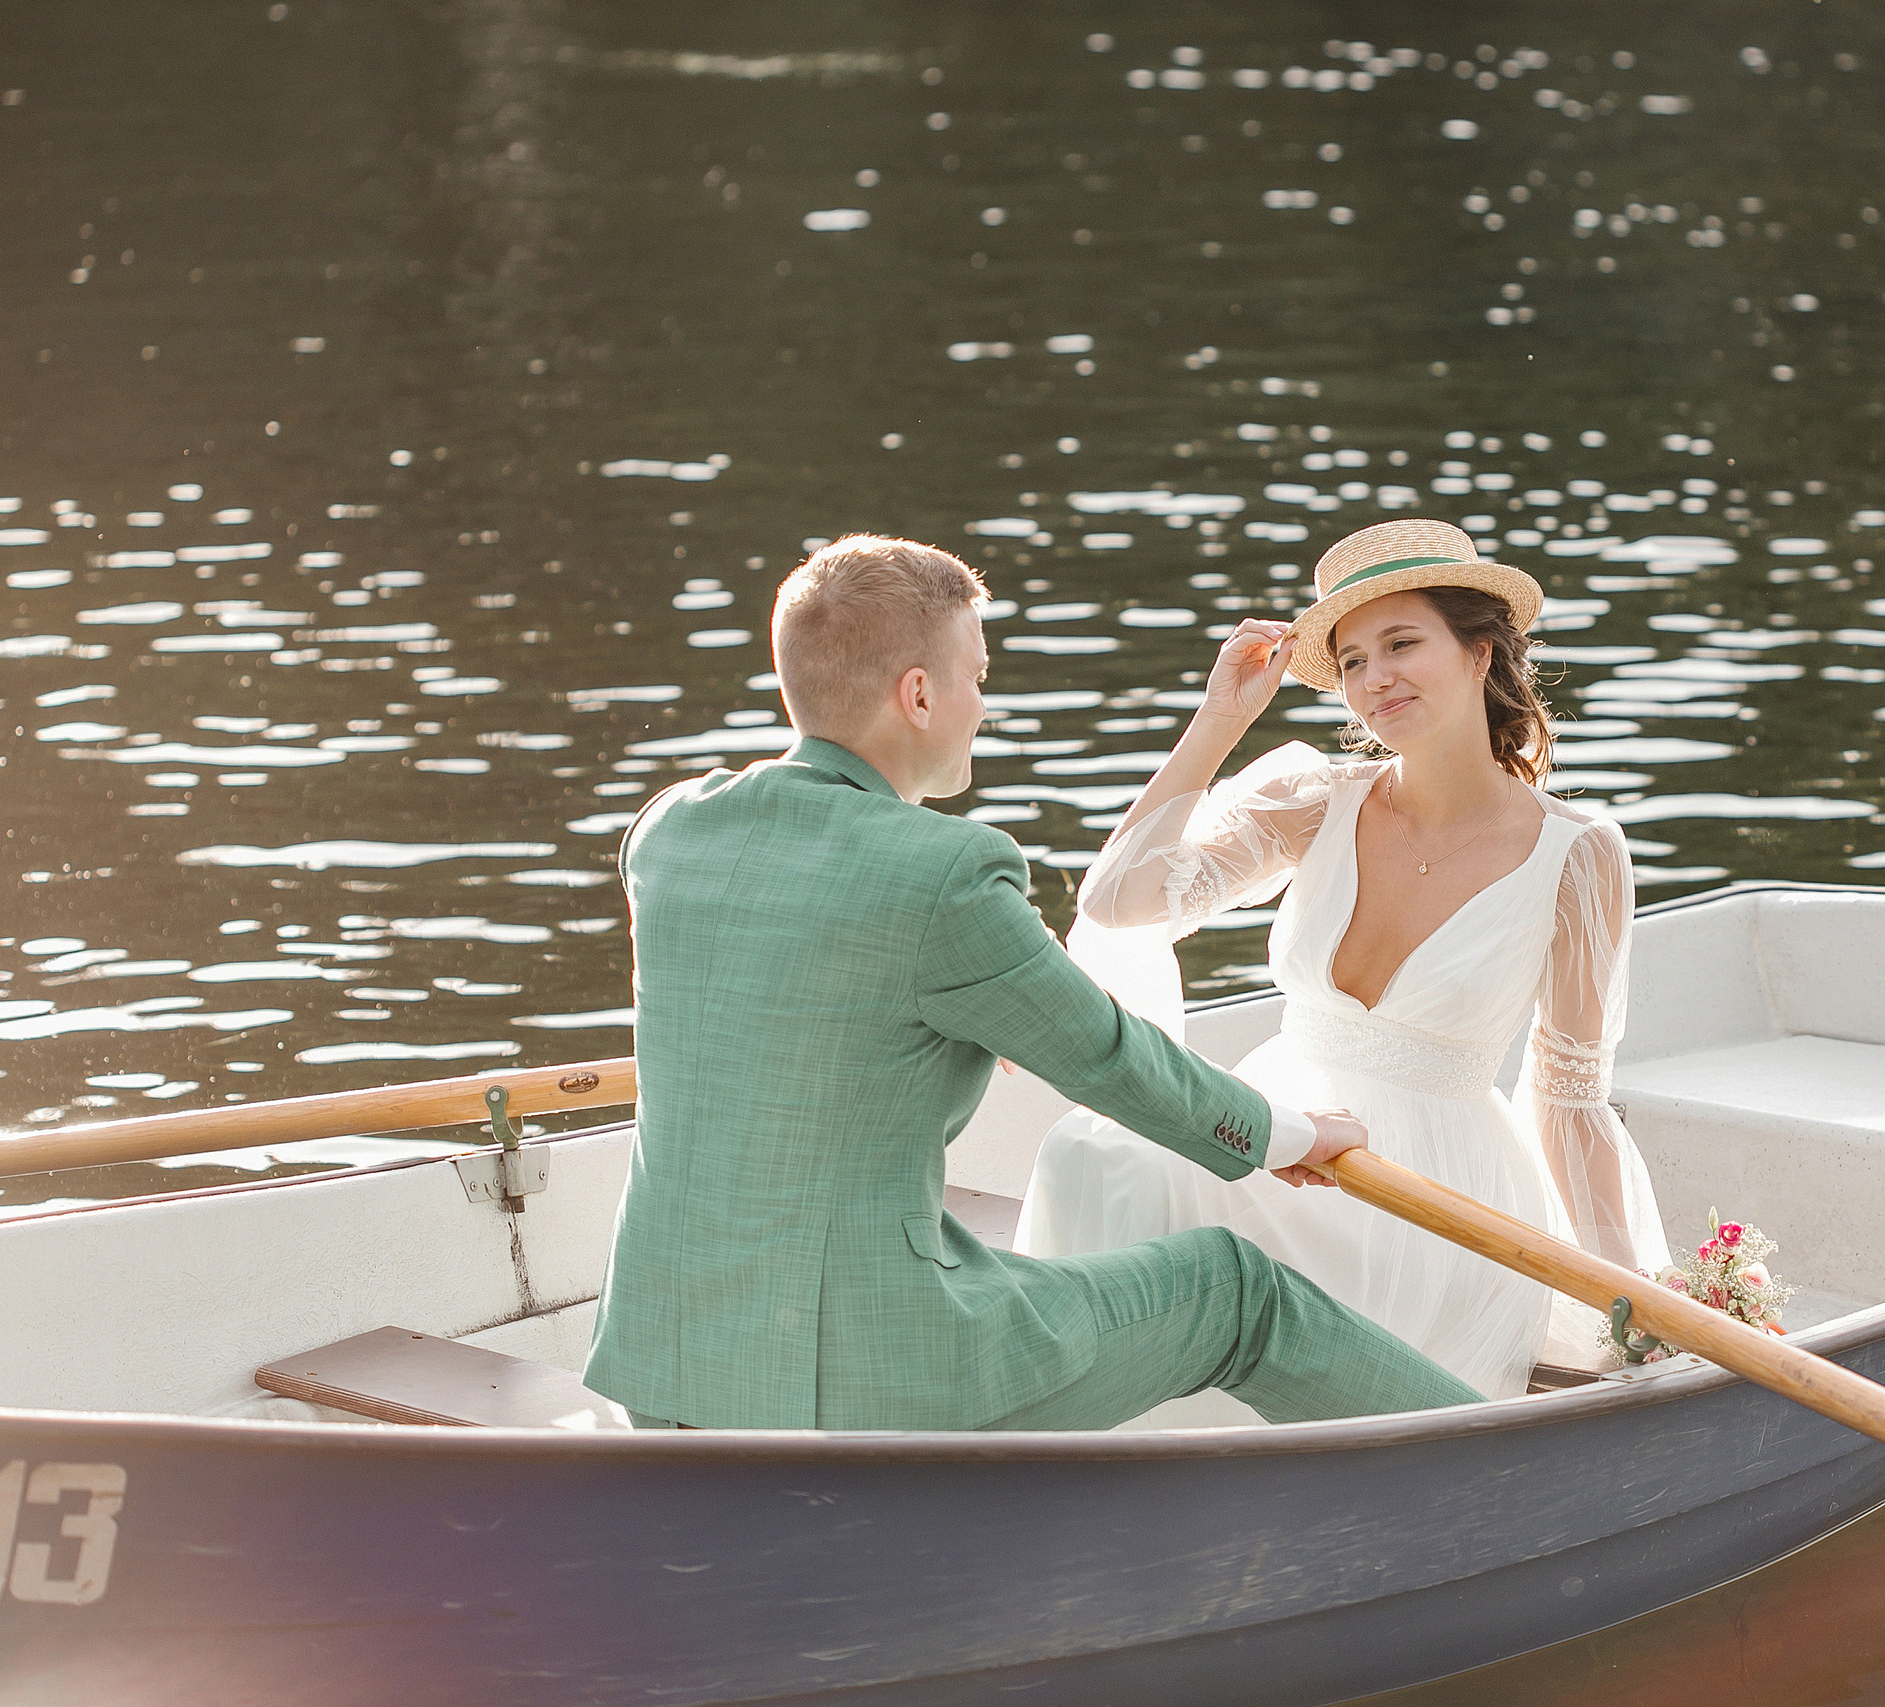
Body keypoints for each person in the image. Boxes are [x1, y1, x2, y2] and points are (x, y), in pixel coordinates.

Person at [583, 534, 1481, 1432]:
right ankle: (1496, 1466)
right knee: (1236, 1288)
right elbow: (1109, 1058)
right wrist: (1290, 1135)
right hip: (867, 1368)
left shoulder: (670, 832)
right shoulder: (948, 871)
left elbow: (803, 963)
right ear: (920, 694)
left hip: (663, 1358)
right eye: (976, 677)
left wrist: (982, 1008)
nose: (983, 705)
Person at [1018, 519, 1673, 1415]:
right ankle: (1066, 1436)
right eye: (1354, 661)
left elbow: (1569, 1094)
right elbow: (1118, 898)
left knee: (1135, 1182)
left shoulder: (1579, 854)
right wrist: (1219, 721)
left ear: (1480, 651)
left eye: (1402, 643)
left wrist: (1622, 1287)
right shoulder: (1313, 800)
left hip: (1437, 1194)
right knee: (1092, 1153)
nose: (1376, 680)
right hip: (1285, 1137)